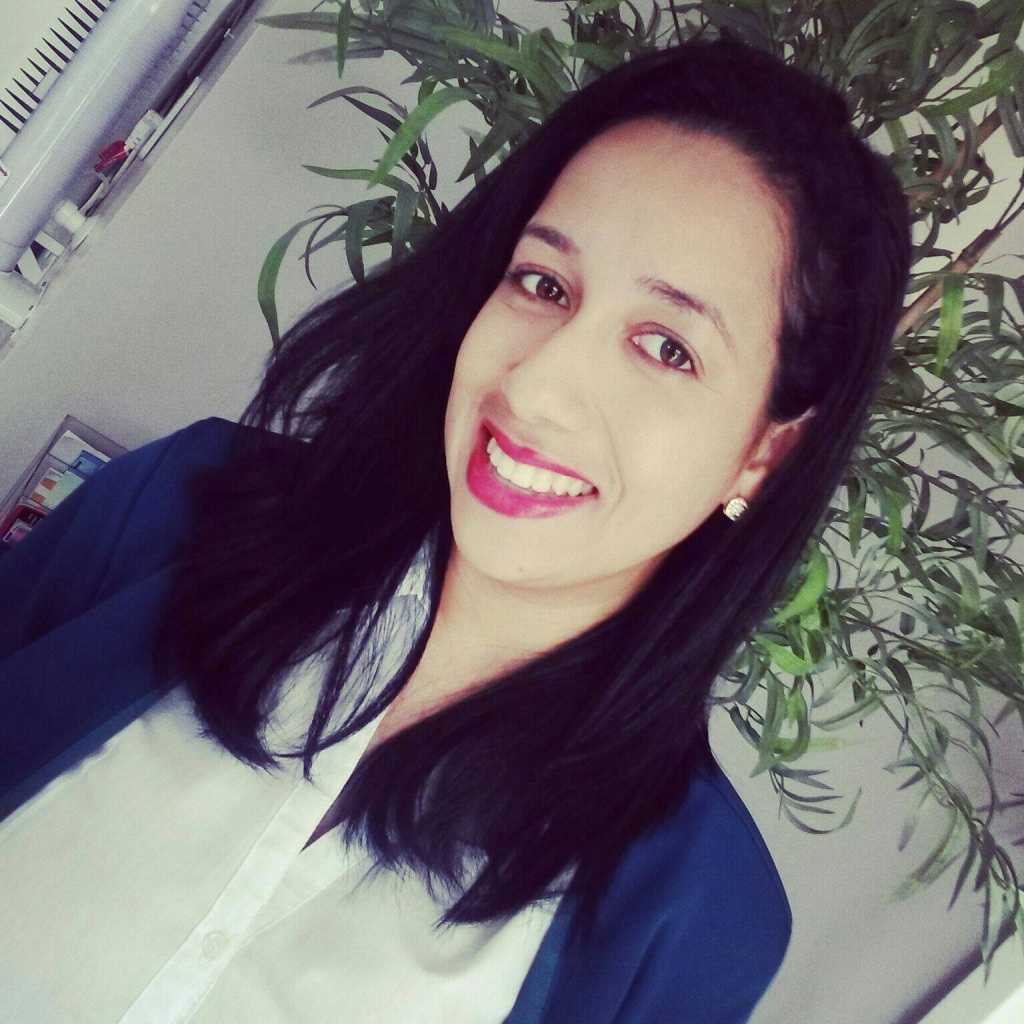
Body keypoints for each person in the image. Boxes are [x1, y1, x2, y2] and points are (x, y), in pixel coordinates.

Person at [0, 35, 911, 1024]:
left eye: (665, 346)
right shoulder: (174, 511)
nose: (540, 386)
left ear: (765, 451)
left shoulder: (699, 925)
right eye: (544, 284)